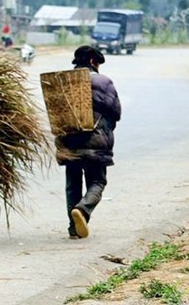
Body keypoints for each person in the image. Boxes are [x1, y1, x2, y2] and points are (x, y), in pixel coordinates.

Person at [56, 45, 122, 239]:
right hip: (97, 141)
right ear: (94, 62)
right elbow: (116, 112)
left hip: (69, 140)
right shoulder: (103, 82)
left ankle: (73, 228)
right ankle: (83, 210)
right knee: (97, 181)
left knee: (72, 184)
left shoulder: (62, 81)